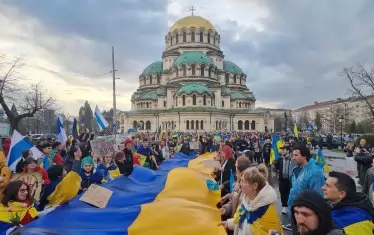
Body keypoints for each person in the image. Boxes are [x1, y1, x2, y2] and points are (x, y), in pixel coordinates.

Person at [223, 167, 282, 234]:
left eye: (243, 181)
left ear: (254, 186)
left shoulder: (268, 211)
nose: (240, 184)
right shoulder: (246, 201)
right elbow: (243, 221)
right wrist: (228, 223)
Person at [283, 144, 325, 232]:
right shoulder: (296, 169)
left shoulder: (315, 172)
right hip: (295, 210)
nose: (293, 158)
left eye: (296, 155)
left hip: (306, 215)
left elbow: (318, 196)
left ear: (304, 156)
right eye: (293, 155)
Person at [39, 144, 83, 210]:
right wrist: (77, 159)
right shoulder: (57, 184)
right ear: (59, 175)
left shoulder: (51, 182)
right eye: (64, 171)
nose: (66, 172)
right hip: (53, 211)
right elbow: (73, 177)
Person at [274, 143, 294, 214]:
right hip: (282, 180)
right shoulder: (280, 159)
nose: (282, 151)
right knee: (283, 193)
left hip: (289, 180)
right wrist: (275, 163)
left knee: (289, 193)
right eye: (281, 150)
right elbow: (276, 168)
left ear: (288, 151)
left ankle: (289, 205)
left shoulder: (292, 159)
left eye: (284, 149)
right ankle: (284, 206)